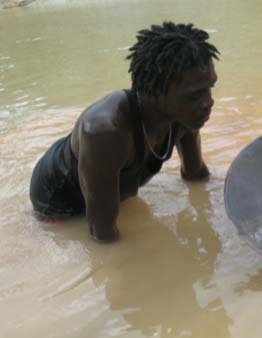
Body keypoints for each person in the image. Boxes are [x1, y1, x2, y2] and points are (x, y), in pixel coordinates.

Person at [30, 21, 219, 242]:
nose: (208, 102)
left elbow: (195, 175)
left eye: (210, 88)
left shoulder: (184, 115)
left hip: (103, 175)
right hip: (60, 200)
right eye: (194, 95)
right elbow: (102, 233)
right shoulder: (105, 131)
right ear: (155, 91)